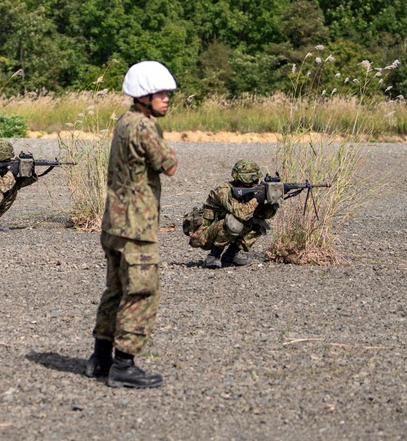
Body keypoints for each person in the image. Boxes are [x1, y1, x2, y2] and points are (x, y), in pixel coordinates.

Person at [85, 60, 178, 389]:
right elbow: (168, 165)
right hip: (136, 226)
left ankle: (100, 357)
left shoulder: (123, 121)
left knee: (115, 289)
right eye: (161, 94)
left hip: (114, 222)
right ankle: (124, 364)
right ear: (143, 95)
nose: (166, 99)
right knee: (141, 290)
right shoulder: (143, 126)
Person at [184, 159, 277, 269]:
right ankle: (213, 256)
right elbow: (241, 213)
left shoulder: (249, 191)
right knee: (234, 222)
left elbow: (262, 215)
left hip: (219, 230)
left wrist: (272, 203)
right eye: (253, 180)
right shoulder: (224, 191)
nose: (255, 183)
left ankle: (230, 256)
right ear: (242, 180)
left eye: (257, 180)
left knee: (258, 224)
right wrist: (256, 199)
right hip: (203, 236)